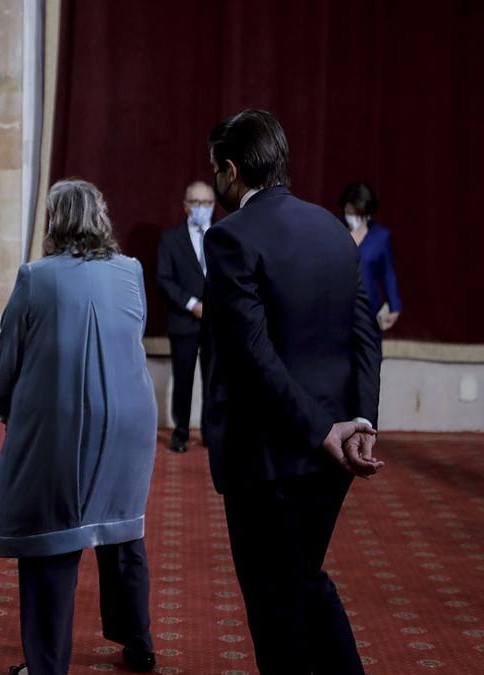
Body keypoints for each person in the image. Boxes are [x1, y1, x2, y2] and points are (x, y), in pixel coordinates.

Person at [203, 109, 383, 674]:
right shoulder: (333, 227)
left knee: (274, 606)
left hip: (270, 456)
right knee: (303, 580)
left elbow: (253, 357)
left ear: (231, 170)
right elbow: (366, 335)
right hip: (333, 455)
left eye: (215, 171)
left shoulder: (230, 237)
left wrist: (320, 429)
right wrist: (360, 423)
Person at [0, 180, 157, 675]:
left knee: (52, 541)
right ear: (100, 217)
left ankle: (47, 666)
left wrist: (4, 405)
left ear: (54, 220)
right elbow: (132, 334)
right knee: (121, 528)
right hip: (131, 420)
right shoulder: (131, 271)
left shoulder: (36, 277)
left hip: (64, 425)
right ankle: (139, 640)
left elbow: (10, 356)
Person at [156, 181, 214, 452]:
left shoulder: (225, 236)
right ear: (185, 206)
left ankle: (211, 432)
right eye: (196, 202)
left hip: (217, 323)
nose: (201, 208)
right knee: (184, 379)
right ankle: (180, 433)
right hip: (185, 321)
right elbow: (164, 279)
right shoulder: (172, 238)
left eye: (206, 203)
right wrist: (192, 304)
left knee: (214, 379)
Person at [340, 181, 402, 331]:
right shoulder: (335, 230)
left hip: (369, 312)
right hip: (338, 311)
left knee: (369, 353)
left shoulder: (381, 236)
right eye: (349, 213)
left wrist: (395, 305)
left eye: (357, 214)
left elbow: (387, 273)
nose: (352, 217)